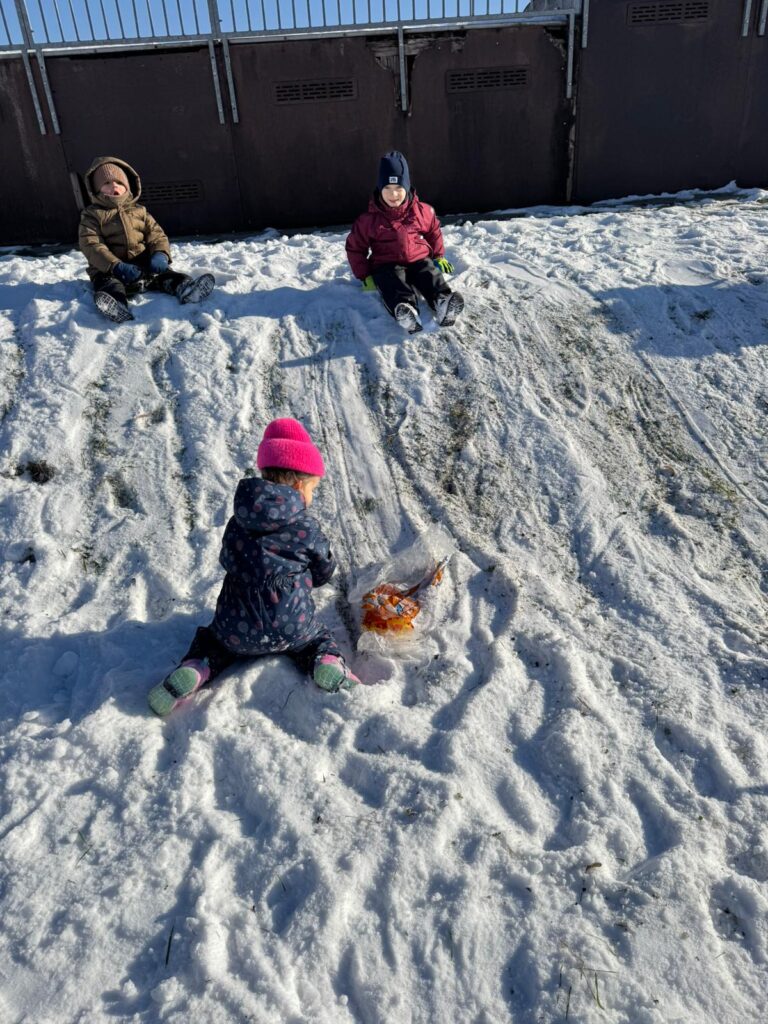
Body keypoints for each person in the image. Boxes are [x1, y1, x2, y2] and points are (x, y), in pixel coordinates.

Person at [148, 418, 360, 716]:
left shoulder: (239, 521)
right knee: (316, 639)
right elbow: (325, 569)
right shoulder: (305, 527)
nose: (312, 495)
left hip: (236, 628)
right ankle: (326, 664)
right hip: (292, 626)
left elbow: (228, 560)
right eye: (313, 487)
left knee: (213, 643)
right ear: (300, 485)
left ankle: (197, 668)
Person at [78, 156, 214, 324]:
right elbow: (91, 244)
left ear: (127, 187)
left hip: (142, 266)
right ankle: (116, 305)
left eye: (119, 183)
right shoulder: (91, 215)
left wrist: (160, 254)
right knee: (110, 285)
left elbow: (156, 234)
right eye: (106, 183)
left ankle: (186, 288)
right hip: (109, 270)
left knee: (166, 275)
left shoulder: (140, 211)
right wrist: (115, 266)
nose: (114, 186)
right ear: (96, 190)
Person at [345, 150, 464, 334]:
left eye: (399, 189)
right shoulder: (368, 220)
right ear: (379, 190)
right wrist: (364, 274)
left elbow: (433, 230)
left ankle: (443, 302)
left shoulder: (421, 211)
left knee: (429, 274)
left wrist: (438, 255)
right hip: (386, 263)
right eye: (388, 189)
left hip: (418, 258)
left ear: (407, 188)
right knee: (392, 282)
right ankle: (406, 311)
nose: (393, 195)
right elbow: (355, 248)